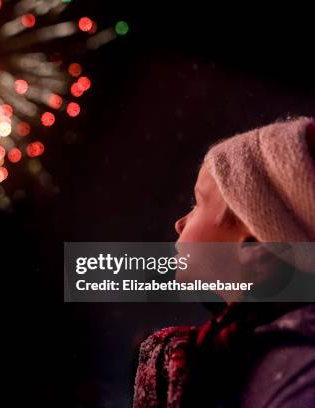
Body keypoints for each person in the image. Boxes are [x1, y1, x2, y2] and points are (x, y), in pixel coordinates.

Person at [133, 117, 315, 407]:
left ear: (256, 245)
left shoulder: (297, 374)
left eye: (198, 203)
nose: (180, 223)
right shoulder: (244, 356)